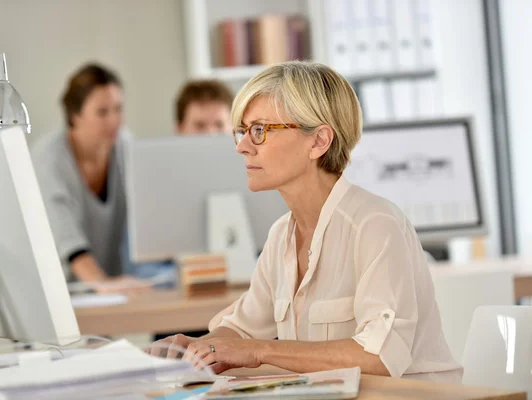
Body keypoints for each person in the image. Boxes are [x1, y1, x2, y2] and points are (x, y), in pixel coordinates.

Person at [149, 61, 463, 383]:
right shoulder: (281, 236)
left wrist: (261, 352)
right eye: (242, 132)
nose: (242, 146)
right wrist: (193, 348)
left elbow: (379, 355)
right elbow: (242, 328)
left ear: (318, 141)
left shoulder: (376, 225)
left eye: (259, 131)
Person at [32, 63, 146, 291]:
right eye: (102, 112)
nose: (114, 120)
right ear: (75, 115)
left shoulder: (125, 145)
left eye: (118, 109)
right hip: (59, 291)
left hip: (107, 288)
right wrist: (101, 283)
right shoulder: (49, 159)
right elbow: (67, 241)